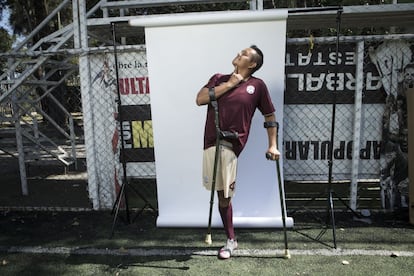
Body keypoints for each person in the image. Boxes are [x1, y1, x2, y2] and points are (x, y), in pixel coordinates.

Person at [196, 45, 280, 259]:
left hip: (231, 144)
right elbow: (201, 98)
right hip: (210, 142)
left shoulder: (257, 86)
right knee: (221, 194)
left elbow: (270, 116)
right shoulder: (218, 77)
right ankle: (231, 238)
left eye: (245, 54)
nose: (239, 54)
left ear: (252, 64)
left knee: (224, 194)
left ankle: (231, 241)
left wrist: (272, 145)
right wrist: (231, 83)